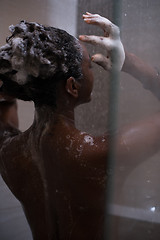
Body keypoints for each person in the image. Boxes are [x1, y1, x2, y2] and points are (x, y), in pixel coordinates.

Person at [0, 12, 160, 240]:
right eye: (90, 67)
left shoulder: (9, 152)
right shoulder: (101, 153)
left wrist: (10, 76)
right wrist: (129, 63)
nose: (93, 70)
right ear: (72, 87)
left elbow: (4, 111)